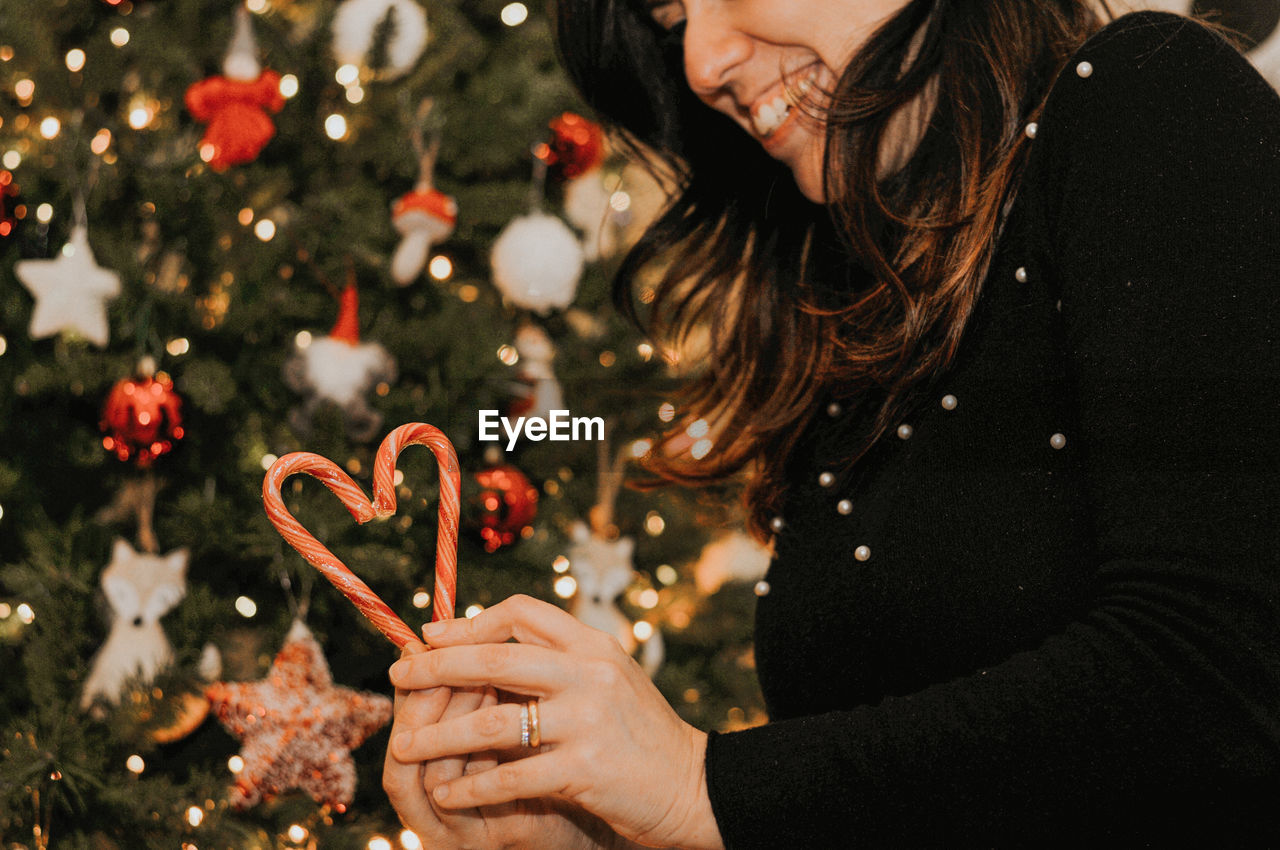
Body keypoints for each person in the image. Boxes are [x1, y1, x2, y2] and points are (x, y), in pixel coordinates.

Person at [383, 0, 1280, 845]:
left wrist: (702, 784)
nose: (701, 64)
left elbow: (1223, 675)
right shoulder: (849, 299)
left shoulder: (1152, 95)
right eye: (671, 21)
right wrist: (608, 834)